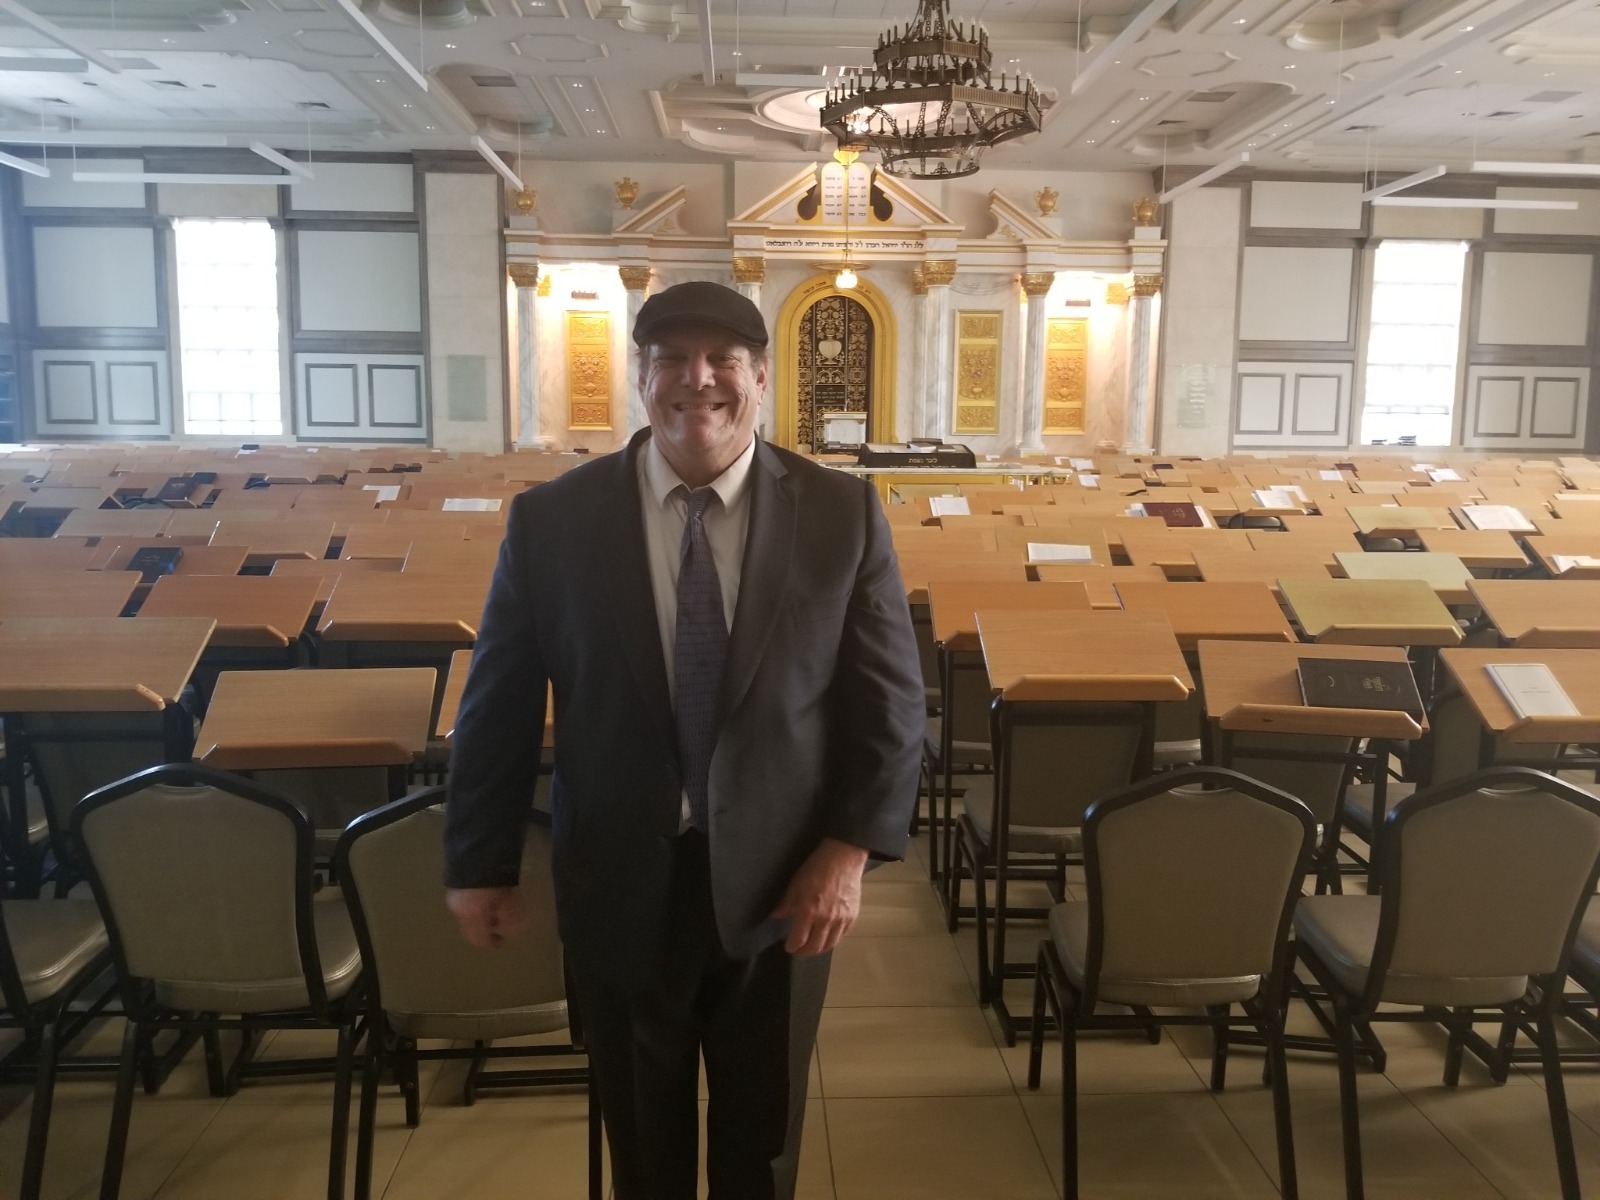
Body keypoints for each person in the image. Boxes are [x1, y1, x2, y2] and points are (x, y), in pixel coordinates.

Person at [443, 280, 925, 1200]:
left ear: (760, 378)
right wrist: (479, 861)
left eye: (722, 360)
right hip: (619, 880)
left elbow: (892, 704)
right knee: (643, 1153)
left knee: (761, 1154)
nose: (696, 379)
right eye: (671, 359)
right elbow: (498, 701)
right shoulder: (554, 520)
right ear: (642, 377)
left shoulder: (841, 512)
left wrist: (848, 851)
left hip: (786, 888)